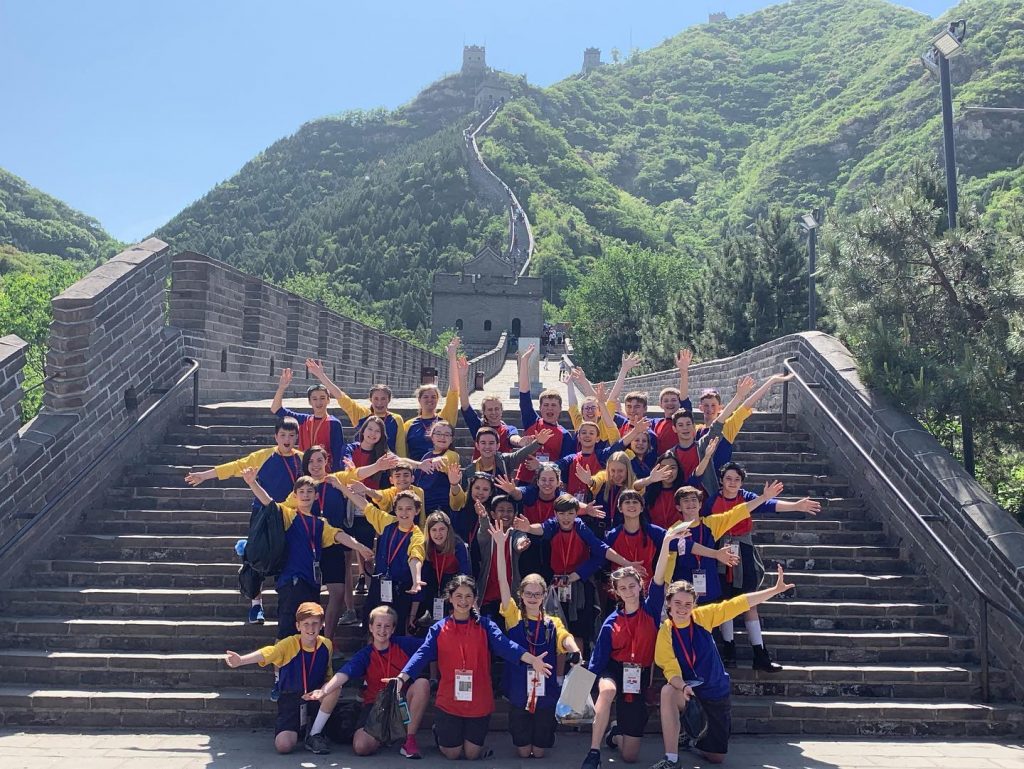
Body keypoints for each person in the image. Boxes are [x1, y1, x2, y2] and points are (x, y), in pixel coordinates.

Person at [391, 575, 553, 761]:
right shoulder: (438, 628)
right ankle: (441, 733)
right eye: (458, 596)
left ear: (475, 600)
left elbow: (507, 646)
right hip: (450, 701)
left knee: (471, 754)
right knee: (452, 754)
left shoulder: (486, 626)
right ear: (449, 598)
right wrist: (401, 678)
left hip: (478, 701)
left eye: (468, 596)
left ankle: (466, 741)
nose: (463, 601)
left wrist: (532, 660)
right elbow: (421, 655)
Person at [651, 565, 796, 768]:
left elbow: (739, 603)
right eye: (677, 603)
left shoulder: (703, 617)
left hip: (715, 692)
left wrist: (773, 591)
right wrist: (683, 686)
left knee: (716, 758)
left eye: (687, 604)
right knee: (667, 691)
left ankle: (690, 737)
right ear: (668, 604)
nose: (682, 608)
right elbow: (670, 669)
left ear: (694, 605)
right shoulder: (665, 632)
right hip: (688, 692)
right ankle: (671, 759)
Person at [184, 417, 303, 624]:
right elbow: (236, 466)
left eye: (291, 435)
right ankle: (256, 605)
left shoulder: (301, 459)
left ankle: (287, 606)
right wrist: (205, 475)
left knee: (287, 558)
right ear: (275, 436)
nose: (287, 439)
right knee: (255, 558)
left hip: (289, 515)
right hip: (262, 514)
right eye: (283, 435)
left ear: (297, 438)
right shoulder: (264, 456)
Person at [703, 462, 820, 670]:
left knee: (749, 602)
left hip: (744, 551)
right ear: (721, 480)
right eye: (728, 479)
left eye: (737, 480)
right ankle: (729, 650)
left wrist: (796, 506)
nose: (732, 483)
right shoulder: (712, 500)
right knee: (725, 600)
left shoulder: (746, 496)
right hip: (720, 553)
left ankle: (760, 654)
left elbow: (769, 504)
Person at [580, 529, 675, 769]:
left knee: (630, 756)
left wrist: (666, 542)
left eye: (632, 586)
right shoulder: (611, 621)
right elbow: (597, 661)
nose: (629, 591)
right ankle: (593, 753)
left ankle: (614, 733)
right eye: (623, 588)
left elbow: (661, 574)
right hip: (614, 670)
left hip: (639, 676)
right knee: (607, 691)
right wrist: (577, 692)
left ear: (640, 586)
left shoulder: (651, 610)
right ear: (616, 592)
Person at [491, 520, 582, 759]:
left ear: (544, 596)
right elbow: (503, 581)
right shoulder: (513, 615)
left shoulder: (552, 622)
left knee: (539, 752)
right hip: (519, 689)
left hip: (546, 692)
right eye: (528, 593)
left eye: (537, 594)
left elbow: (566, 638)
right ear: (520, 594)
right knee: (523, 752)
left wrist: (575, 652)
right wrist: (501, 546)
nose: (532, 597)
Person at [512, 494, 639, 658]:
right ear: (556, 514)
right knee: (556, 629)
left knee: (580, 630)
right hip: (556, 584)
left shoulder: (580, 527)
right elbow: (541, 528)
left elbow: (601, 549)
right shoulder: (553, 525)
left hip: (579, 583)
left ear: (577, 513)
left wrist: (625, 562)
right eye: (562, 514)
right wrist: (528, 529)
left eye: (571, 513)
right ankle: (558, 677)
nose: (566, 518)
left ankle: (577, 669)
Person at [304, 605, 429, 759]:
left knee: (422, 683)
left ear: (393, 629)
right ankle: (385, 735)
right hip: (375, 707)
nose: (382, 630)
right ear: (370, 627)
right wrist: (324, 691)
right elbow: (345, 673)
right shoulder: (366, 654)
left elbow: (434, 644)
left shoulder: (404, 645)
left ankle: (409, 741)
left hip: (401, 705)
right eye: (378, 625)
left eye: (387, 626)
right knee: (361, 746)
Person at [224, 601, 337, 755]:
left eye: (315, 624)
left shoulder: (327, 644)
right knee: (283, 746)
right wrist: (242, 660)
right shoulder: (289, 644)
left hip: (315, 697)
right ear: (298, 626)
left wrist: (323, 691)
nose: (310, 628)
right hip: (291, 699)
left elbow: (328, 673)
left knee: (335, 687)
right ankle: (301, 730)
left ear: (322, 625)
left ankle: (314, 734)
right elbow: (268, 652)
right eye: (306, 624)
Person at [668, 481, 779, 606]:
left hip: (709, 586)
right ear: (678, 507)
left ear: (700, 504)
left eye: (694, 500)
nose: (691, 503)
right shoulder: (674, 530)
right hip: (683, 589)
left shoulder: (711, 523)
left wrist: (763, 498)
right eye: (686, 500)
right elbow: (670, 561)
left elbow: (737, 512)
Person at [340, 485, 426, 634]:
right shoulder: (387, 522)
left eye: (409, 509)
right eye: (400, 508)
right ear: (395, 509)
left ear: (416, 511)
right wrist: (341, 486)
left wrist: (416, 579)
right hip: (379, 584)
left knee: (395, 631)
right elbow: (364, 505)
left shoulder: (418, 535)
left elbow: (415, 557)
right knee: (371, 627)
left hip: (400, 590)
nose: (404, 513)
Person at [307, 359, 408, 456]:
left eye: (383, 399)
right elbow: (341, 397)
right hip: (363, 465)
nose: (379, 402)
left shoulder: (396, 419)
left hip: (387, 466)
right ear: (370, 399)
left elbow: (400, 448)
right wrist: (321, 375)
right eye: (376, 399)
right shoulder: (362, 414)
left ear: (389, 399)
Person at [340, 415, 392, 600]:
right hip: (347, 505)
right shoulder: (351, 448)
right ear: (363, 431)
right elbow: (348, 472)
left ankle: (370, 594)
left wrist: (420, 464)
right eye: (370, 429)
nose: (372, 434)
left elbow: (402, 461)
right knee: (347, 554)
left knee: (368, 551)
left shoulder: (383, 454)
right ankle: (351, 604)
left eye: (377, 431)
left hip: (369, 507)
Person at [516, 344, 575, 484]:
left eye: (554, 405)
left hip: (548, 484)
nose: (550, 409)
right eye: (546, 405)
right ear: (540, 408)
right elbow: (524, 395)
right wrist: (524, 362)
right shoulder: (532, 421)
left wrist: (542, 466)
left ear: (560, 409)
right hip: (525, 480)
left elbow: (566, 462)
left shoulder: (565, 435)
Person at [271, 365, 346, 470]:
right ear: (310, 401)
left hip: (324, 471)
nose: (318, 402)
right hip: (304, 469)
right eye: (314, 399)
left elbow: (338, 454)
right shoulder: (303, 420)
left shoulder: (334, 423)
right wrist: (281, 387)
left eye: (322, 398)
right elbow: (276, 409)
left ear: (328, 400)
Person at [404, 337, 461, 461]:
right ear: (419, 400)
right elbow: (403, 452)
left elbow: (454, 391)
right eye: (425, 397)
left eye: (433, 397)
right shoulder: (408, 425)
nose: (430, 400)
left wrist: (452, 357)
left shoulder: (445, 418)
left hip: (441, 470)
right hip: (417, 473)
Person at [456, 355, 522, 455]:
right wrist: (462, 377)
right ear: (484, 412)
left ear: (501, 410)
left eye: (496, 409)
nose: (494, 412)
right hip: (479, 468)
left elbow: (514, 438)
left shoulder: (509, 429)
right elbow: (465, 405)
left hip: (501, 469)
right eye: (490, 410)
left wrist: (520, 442)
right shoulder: (478, 426)